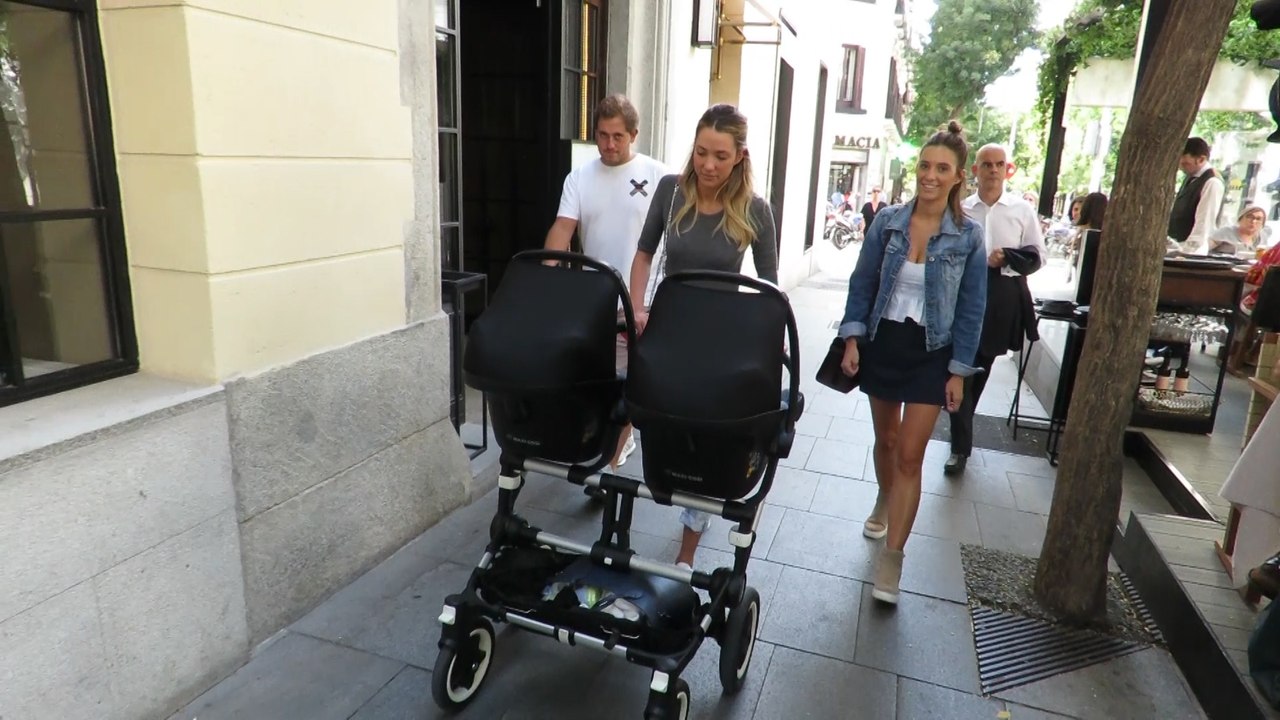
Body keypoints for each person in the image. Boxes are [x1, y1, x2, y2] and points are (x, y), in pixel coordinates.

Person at [838, 120, 988, 605]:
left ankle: (893, 560)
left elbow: (971, 307)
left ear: (957, 176)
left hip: (933, 352)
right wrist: (852, 339)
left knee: (910, 453)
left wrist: (960, 372)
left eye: (941, 168)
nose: (929, 175)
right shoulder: (888, 222)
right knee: (885, 440)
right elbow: (862, 284)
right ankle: (885, 496)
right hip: (885, 341)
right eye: (924, 165)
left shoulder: (968, 236)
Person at [628, 103, 778, 570]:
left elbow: (769, 285)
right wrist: (637, 307)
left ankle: (688, 548)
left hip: (721, 339)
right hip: (670, 329)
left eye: (719, 155)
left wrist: (772, 343)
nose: (708, 165)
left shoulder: (755, 209)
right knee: (652, 417)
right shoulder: (672, 192)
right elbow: (643, 254)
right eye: (700, 153)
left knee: (706, 434)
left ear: (739, 157)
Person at [545, 94, 669, 472]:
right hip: (596, 296)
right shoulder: (580, 177)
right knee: (602, 379)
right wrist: (546, 275)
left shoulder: (659, 176)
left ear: (634, 134)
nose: (609, 144)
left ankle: (612, 456)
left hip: (641, 298)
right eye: (602, 135)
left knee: (631, 378)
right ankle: (614, 440)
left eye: (618, 136)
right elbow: (563, 229)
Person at [943, 144, 1045, 475]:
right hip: (964, 295)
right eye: (986, 164)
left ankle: (962, 430)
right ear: (975, 170)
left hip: (1002, 297)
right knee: (962, 366)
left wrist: (1007, 258)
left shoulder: (1021, 210)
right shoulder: (961, 208)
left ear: (1008, 169)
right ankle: (960, 447)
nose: (993, 170)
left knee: (980, 368)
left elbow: (1037, 256)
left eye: (999, 164)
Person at [1168, 137, 1225, 255]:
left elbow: (1204, 222)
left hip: (1190, 250)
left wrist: (1188, 252)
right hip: (1177, 244)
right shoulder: (1190, 177)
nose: (1180, 167)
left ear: (1201, 159)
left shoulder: (1212, 182)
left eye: (1185, 163)